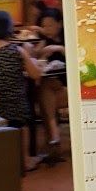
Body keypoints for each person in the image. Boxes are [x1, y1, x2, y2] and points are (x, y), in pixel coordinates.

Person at [0, 10, 45, 173]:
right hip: (14, 110)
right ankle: (25, 160)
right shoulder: (16, 51)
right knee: (23, 115)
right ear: (9, 28)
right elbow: (35, 74)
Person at [34, 9, 68, 159]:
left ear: (59, 24)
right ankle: (55, 136)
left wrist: (60, 48)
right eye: (44, 26)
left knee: (43, 92)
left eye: (50, 26)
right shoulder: (42, 41)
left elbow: (78, 57)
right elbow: (33, 60)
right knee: (45, 88)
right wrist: (39, 52)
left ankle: (53, 137)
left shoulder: (68, 38)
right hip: (51, 87)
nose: (47, 29)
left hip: (69, 87)